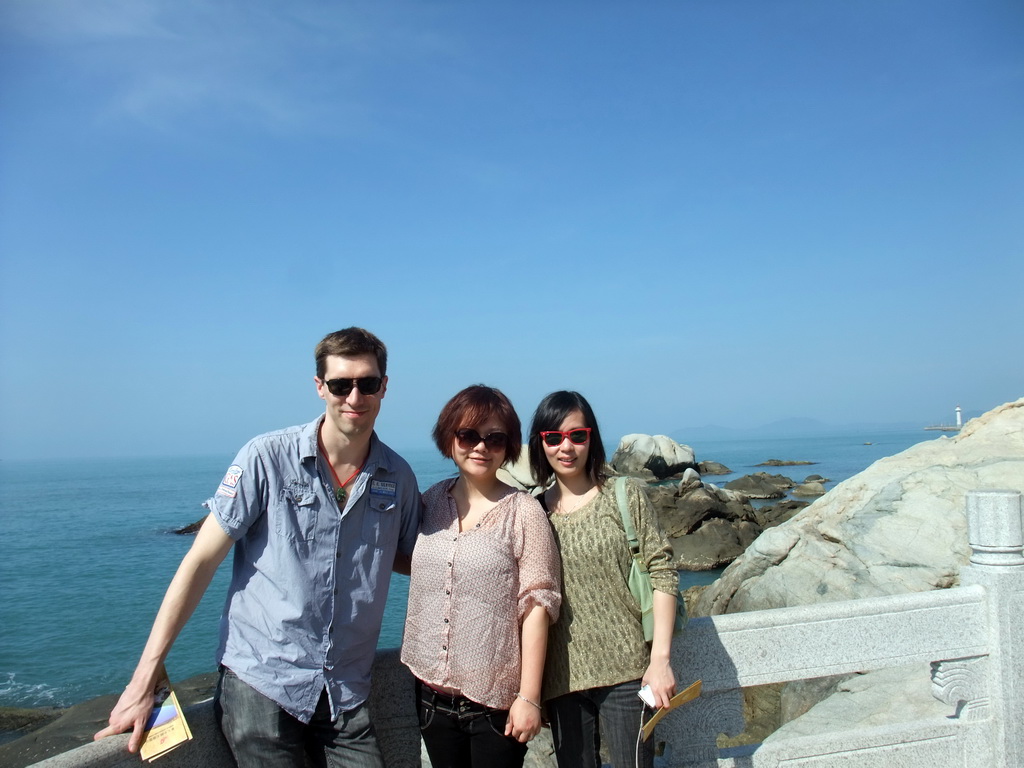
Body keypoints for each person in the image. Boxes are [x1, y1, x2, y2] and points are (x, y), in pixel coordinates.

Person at [94, 327, 422, 768]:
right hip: (263, 681)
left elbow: (412, 559)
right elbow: (200, 562)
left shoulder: (397, 477)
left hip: (346, 688)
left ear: (384, 386)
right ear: (320, 387)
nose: (354, 397)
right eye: (341, 384)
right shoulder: (265, 458)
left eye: (367, 383)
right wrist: (144, 677)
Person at [402, 385, 561, 768]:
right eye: (468, 435)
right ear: (449, 438)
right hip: (429, 696)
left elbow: (539, 604)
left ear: (508, 446)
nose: (480, 447)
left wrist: (529, 697)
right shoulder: (429, 502)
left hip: (495, 706)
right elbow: (403, 557)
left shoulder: (523, 512)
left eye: (494, 438)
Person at [528, 391, 678, 768]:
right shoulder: (533, 513)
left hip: (629, 673)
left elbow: (663, 573)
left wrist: (659, 659)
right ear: (540, 443)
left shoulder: (623, 496)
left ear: (591, 438)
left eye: (578, 436)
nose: (567, 447)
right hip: (562, 681)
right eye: (554, 437)